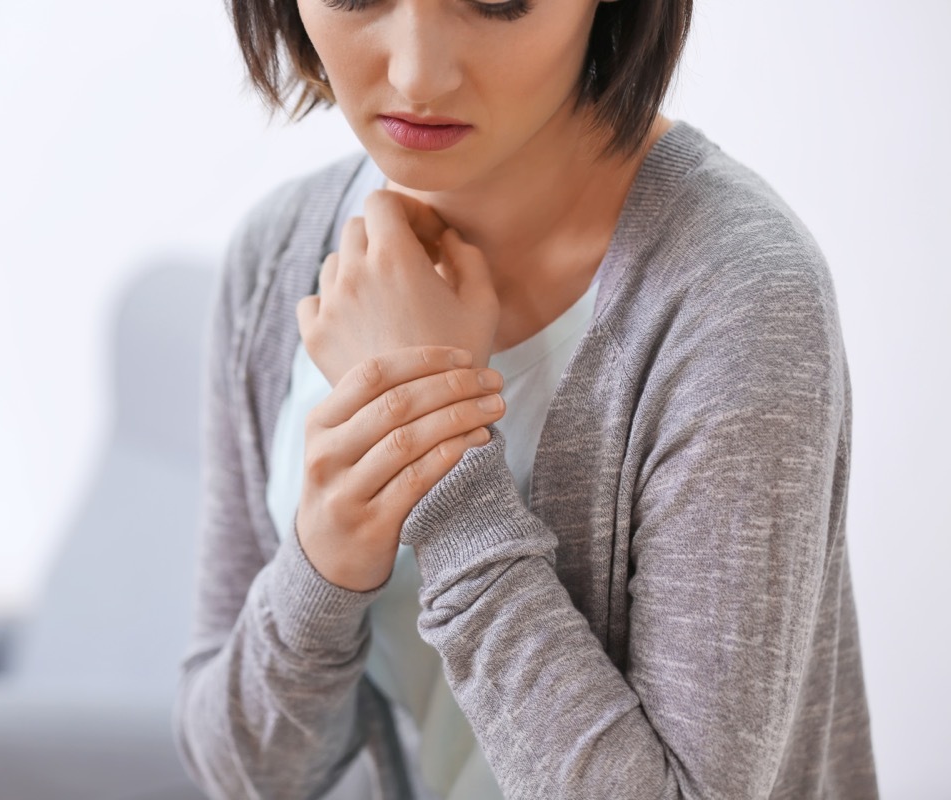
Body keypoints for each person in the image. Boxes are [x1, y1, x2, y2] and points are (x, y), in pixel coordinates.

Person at [172, 0, 879, 797]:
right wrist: (322, 568)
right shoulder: (279, 256)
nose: (416, 74)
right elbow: (240, 770)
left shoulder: (735, 298)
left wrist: (441, 468)